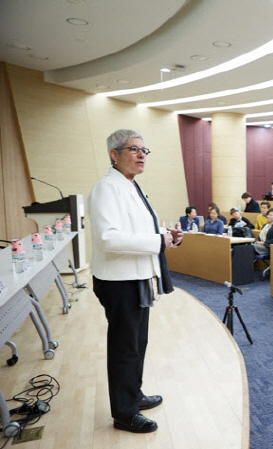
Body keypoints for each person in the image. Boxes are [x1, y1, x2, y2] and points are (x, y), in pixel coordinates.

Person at [88, 129, 183, 433]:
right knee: (124, 348)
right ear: (114, 155)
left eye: (144, 149)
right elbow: (109, 239)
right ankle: (124, 414)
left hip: (137, 278)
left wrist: (168, 237)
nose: (142, 154)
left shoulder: (131, 186)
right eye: (133, 149)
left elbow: (142, 229)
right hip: (120, 282)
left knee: (137, 344)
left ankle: (133, 395)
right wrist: (158, 240)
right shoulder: (106, 188)